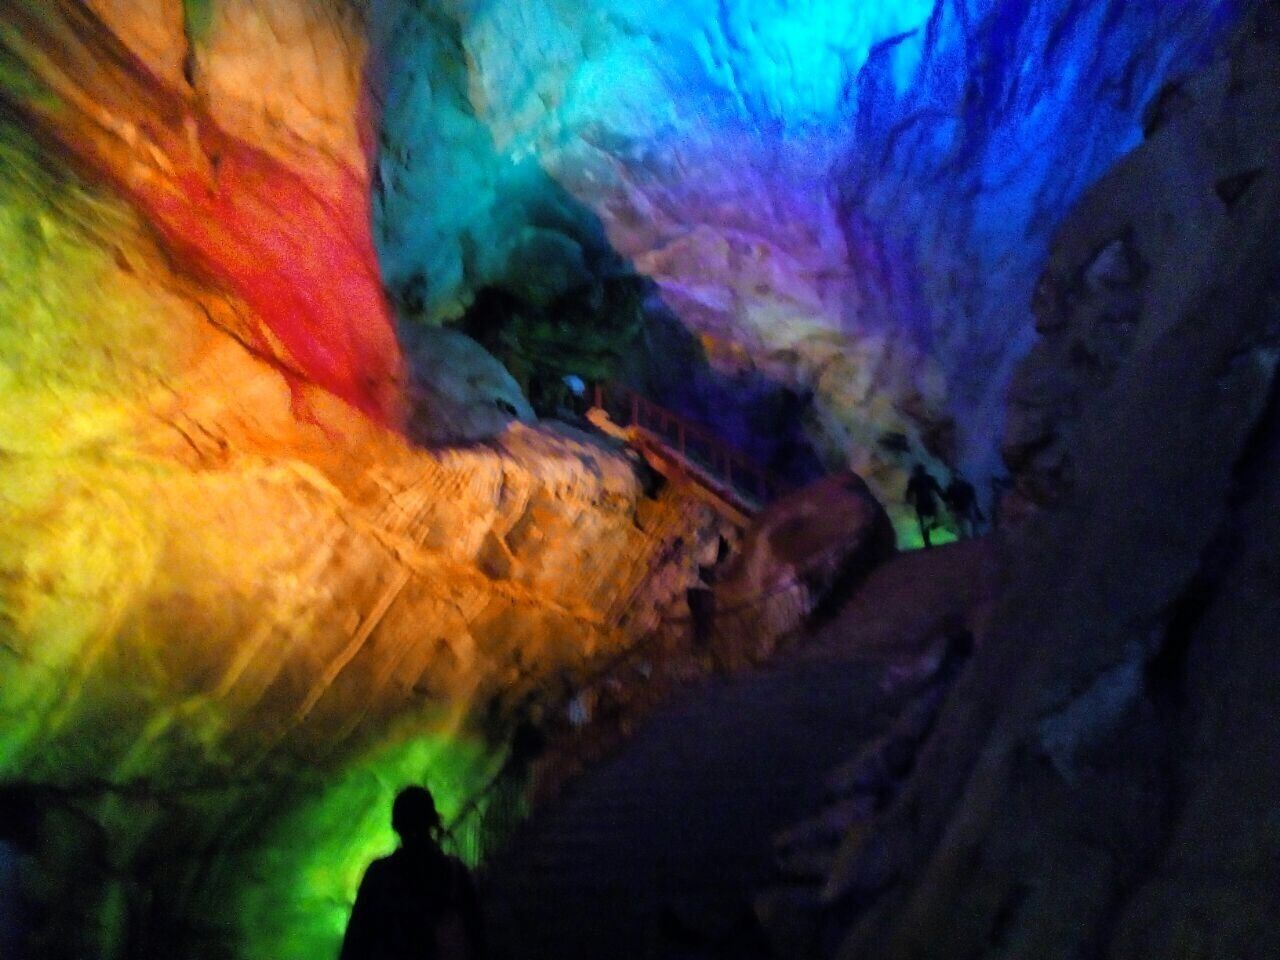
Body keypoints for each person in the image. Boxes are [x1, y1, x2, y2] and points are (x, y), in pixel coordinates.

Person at [340, 786, 483, 960]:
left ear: (396, 826)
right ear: (432, 822)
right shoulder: (454, 872)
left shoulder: (380, 874)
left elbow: (357, 939)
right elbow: (476, 933)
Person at [905, 463, 945, 549]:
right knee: (930, 519)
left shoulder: (915, 480)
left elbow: (908, 492)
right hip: (928, 502)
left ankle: (927, 542)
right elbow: (937, 489)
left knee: (924, 523)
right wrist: (943, 497)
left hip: (922, 503)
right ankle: (928, 539)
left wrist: (908, 501)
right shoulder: (928, 478)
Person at [943, 471, 985, 539]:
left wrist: (948, 506)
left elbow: (972, 496)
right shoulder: (953, 487)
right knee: (963, 523)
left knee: (968, 522)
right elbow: (947, 498)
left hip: (963, 507)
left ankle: (972, 535)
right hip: (959, 508)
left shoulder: (961, 486)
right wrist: (948, 506)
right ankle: (968, 536)